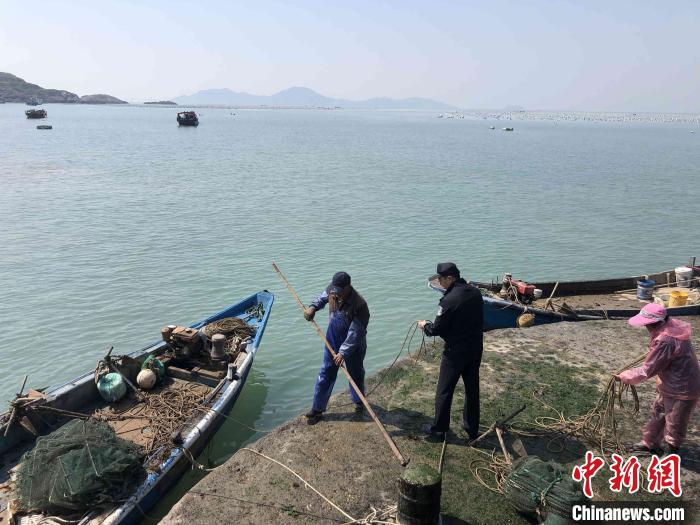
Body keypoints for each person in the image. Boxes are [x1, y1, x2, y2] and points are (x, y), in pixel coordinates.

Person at [618, 303, 700, 454]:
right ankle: (649, 443)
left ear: (653, 323)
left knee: (675, 422)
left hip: (683, 388)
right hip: (670, 384)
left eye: (646, 324)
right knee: (659, 413)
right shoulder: (670, 328)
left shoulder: (665, 340)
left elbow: (648, 369)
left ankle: (671, 452)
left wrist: (625, 376)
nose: (645, 327)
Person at [418, 262, 484, 441]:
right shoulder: (475, 292)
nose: (439, 282)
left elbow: (436, 329)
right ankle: (472, 429)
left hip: (455, 353)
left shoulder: (449, 300)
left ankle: (439, 430)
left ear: (450, 278)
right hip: (475, 348)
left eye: (441, 278)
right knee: (472, 389)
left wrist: (425, 325)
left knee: (444, 390)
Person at [303, 271, 370, 425]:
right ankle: (317, 409)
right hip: (332, 339)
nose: (335, 294)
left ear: (348, 287)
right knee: (326, 372)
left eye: (339, 291)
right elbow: (322, 297)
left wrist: (343, 352)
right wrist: (313, 307)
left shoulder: (360, 305)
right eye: (334, 290)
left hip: (353, 345)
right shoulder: (333, 290)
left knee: (355, 374)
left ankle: (359, 402)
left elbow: (356, 333)